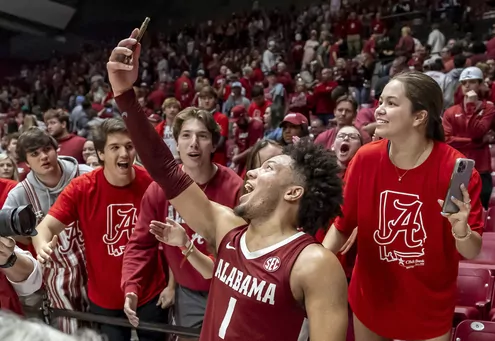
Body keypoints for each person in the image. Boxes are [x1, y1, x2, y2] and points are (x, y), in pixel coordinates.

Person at [108, 29, 348, 341]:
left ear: (293, 192)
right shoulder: (227, 227)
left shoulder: (314, 263)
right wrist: (124, 93)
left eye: (268, 168)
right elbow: (166, 170)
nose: (250, 174)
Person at [323, 71, 484, 341]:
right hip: (371, 297)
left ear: (419, 116)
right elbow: (342, 226)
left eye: (392, 103)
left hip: (427, 306)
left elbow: (471, 250)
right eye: (380, 101)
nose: (379, 110)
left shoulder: (454, 170)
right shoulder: (365, 159)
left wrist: (461, 230)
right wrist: (315, 269)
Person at [33, 119, 168, 341]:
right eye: (115, 147)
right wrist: (42, 246)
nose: (124, 153)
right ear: (101, 154)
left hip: (150, 293)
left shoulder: (151, 183)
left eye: (129, 146)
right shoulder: (82, 187)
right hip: (105, 298)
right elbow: (44, 227)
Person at [122, 107, 243, 341]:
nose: (193, 143)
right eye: (186, 135)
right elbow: (140, 245)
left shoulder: (234, 187)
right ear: (176, 144)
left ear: (214, 145)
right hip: (188, 292)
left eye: (203, 136)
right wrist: (131, 286)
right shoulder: (159, 189)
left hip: (230, 289)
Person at [3, 128, 91, 333]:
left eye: (47, 149)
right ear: (25, 161)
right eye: (34, 154)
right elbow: (6, 232)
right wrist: (29, 239)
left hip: (98, 267)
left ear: (56, 149)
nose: (43, 157)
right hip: (58, 280)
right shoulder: (20, 194)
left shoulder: (87, 175)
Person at [443, 66, 495, 209]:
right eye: (463, 83)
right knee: (454, 213)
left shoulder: (489, 109)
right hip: (459, 168)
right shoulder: (450, 112)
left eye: (472, 82)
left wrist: (471, 105)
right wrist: (477, 143)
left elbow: (477, 132)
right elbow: (447, 140)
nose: (467, 86)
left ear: (480, 84)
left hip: (481, 168)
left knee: (480, 213)